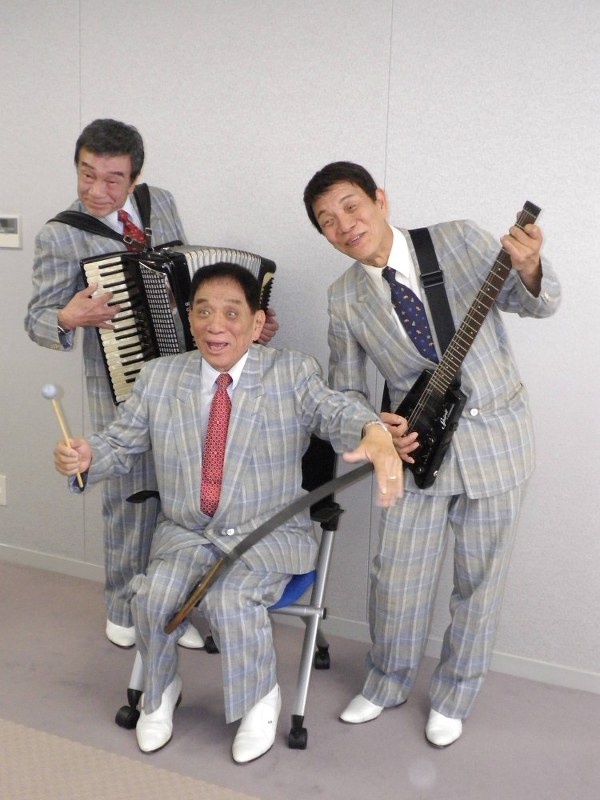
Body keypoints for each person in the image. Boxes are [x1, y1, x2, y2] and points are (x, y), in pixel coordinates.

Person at [53, 262, 403, 762]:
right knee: (151, 598)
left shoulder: (292, 372)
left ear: (257, 323)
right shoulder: (159, 377)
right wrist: (88, 457)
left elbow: (335, 411)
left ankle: (260, 700)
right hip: (187, 533)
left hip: (267, 532)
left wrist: (371, 431)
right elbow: (120, 444)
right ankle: (160, 691)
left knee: (231, 597)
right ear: (188, 317)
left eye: (232, 313)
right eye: (204, 312)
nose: (216, 326)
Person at [303, 161, 561, 747]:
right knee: (395, 578)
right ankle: (386, 682)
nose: (344, 225)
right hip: (416, 450)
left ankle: (454, 695)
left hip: (499, 442)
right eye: (327, 220)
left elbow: (537, 304)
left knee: (480, 582)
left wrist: (529, 266)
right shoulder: (344, 298)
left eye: (350, 206)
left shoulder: (459, 239)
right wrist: (374, 426)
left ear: (380, 199)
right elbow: (346, 389)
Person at [25, 119, 278, 649]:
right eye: (86, 174)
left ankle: (172, 605)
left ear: (135, 177)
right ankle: (123, 606)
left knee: (181, 493)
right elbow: (37, 320)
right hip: (118, 380)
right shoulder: (61, 234)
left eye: (112, 179)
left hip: (184, 372)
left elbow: (185, 278)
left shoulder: (159, 201)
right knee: (128, 496)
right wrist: (68, 317)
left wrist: (238, 326)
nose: (97, 190)